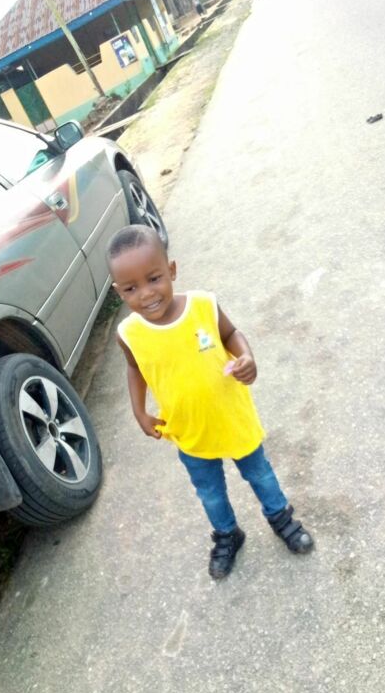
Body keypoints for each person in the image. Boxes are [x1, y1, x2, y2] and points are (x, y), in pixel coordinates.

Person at [107, 225, 314, 580]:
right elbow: (134, 368)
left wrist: (247, 357)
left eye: (154, 278)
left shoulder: (202, 305)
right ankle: (227, 533)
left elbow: (231, 334)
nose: (146, 294)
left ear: (171, 270)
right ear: (118, 292)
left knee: (260, 474)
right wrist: (139, 411)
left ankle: (281, 518)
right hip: (189, 431)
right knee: (210, 493)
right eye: (131, 288)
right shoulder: (130, 334)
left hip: (232, 418)